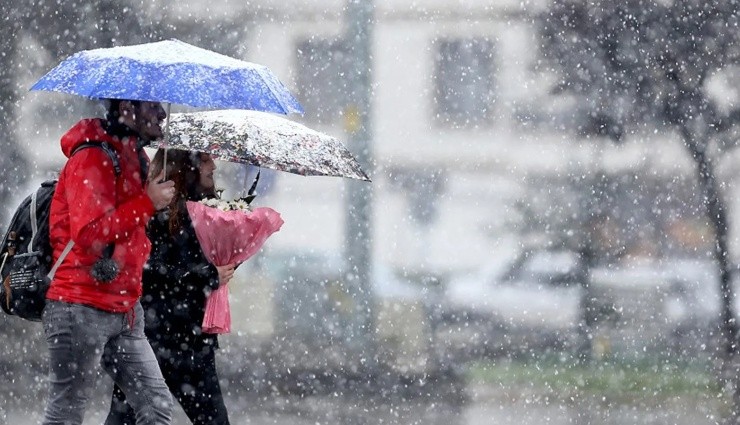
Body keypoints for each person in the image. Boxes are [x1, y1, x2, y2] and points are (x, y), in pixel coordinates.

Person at [43, 99, 176, 425]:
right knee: (66, 414)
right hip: (79, 304)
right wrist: (147, 202)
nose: (162, 114)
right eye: (152, 106)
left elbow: (133, 232)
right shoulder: (93, 156)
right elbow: (90, 232)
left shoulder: (135, 159)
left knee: (156, 408)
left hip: (126, 308)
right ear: (127, 108)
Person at [105, 148, 236, 425]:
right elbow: (151, 272)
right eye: (204, 159)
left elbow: (200, 269)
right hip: (154, 338)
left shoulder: (209, 211)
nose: (213, 164)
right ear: (185, 167)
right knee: (125, 418)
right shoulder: (156, 211)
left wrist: (228, 260)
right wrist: (207, 275)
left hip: (193, 340)